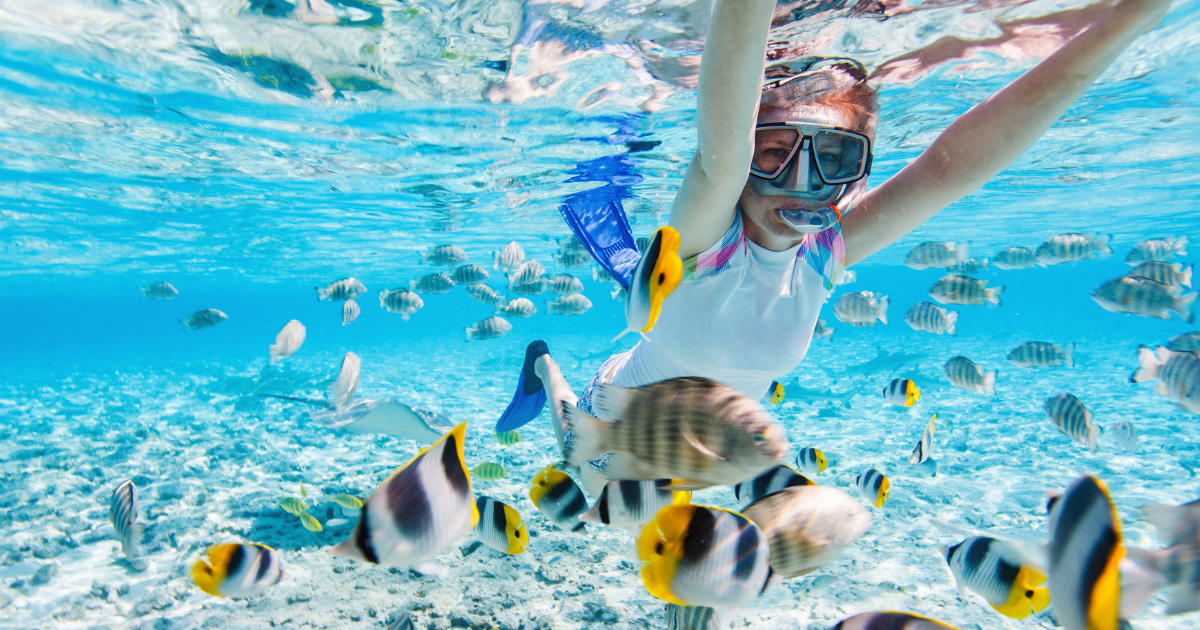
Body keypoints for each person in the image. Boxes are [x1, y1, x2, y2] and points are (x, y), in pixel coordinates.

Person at [501, 0, 1173, 491]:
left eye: (835, 158)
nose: (801, 182)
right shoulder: (710, 237)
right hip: (619, 419)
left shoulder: (821, 254)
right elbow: (719, 155)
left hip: (711, 448)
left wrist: (1125, 22)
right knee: (589, 484)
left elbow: (949, 168)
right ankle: (545, 368)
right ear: (746, 151)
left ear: (859, 171)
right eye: (773, 151)